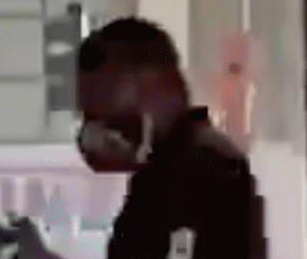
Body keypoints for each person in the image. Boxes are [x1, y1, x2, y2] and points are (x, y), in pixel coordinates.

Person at [76, 16, 268, 259]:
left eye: (104, 101)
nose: (98, 123)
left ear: (154, 86)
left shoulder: (202, 171)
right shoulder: (162, 174)